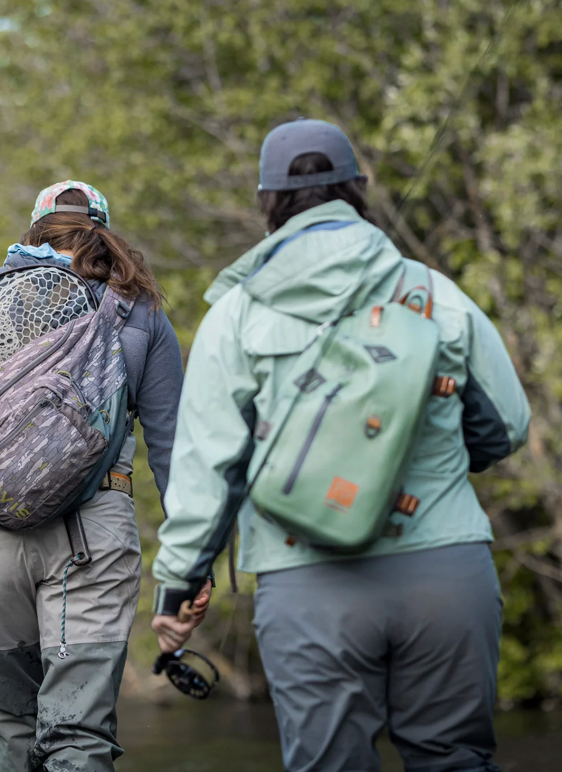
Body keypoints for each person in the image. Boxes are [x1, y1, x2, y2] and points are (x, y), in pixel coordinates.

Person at [151, 120, 531, 772]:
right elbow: (507, 426)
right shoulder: (434, 293)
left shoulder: (235, 313)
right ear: (358, 188)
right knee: (457, 761)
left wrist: (180, 587)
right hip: (446, 572)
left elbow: (207, 474)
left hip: (307, 584)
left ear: (267, 201)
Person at [0, 181, 198, 772]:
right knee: (77, 735)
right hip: (93, 538)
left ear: (31, 234)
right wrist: (193, 562)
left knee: (15, 726)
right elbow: (173, 449)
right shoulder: (139, 312)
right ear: (103, 231)